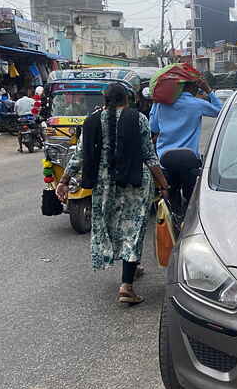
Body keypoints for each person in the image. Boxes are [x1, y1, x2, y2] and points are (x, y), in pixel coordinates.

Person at [56, 83, 170, 305]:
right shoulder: (138, 119)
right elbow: (150, 156)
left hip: (104, 183)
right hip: (135, 183)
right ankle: (126, 286)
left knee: (112, 225)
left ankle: (132, 267)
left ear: (104, 99)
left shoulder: (92, 121)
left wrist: (64, 181)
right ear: (127, 99)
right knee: (133, 228)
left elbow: (80, 155)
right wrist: (163, 184)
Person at [149, 79, 222, 216]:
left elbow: (153, 127)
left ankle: (174, 224)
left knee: (171, 201)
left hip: (165, 160)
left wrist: (155, 103)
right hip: (189, 160)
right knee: (191, 202)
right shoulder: (197, 104)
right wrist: (209, 91)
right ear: (192, 87)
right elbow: (220, 111)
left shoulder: (162, 105)